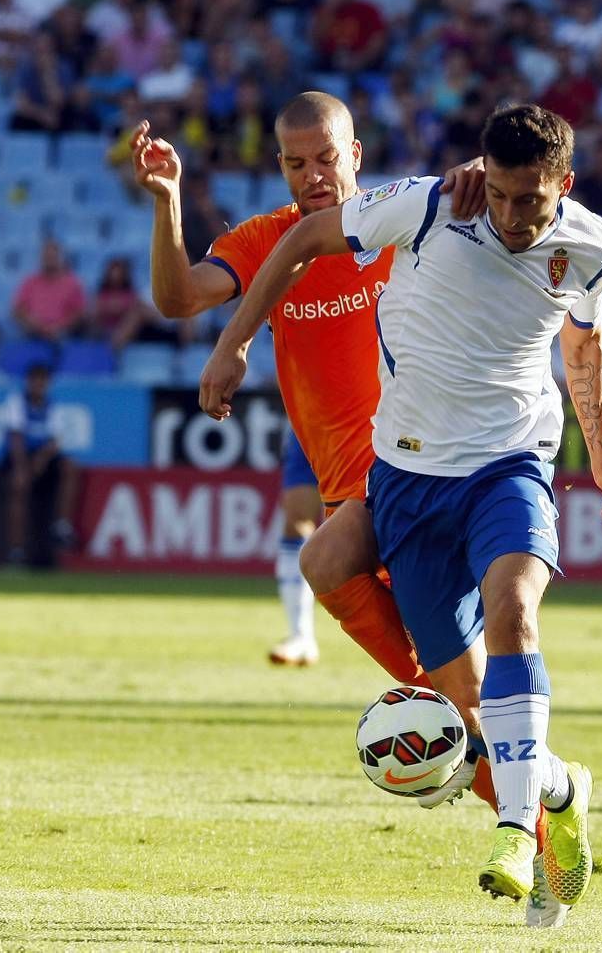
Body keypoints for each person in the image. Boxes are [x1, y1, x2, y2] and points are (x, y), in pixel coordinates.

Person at [198, 103, 602, 912]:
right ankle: (553, 788)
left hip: (510, 466)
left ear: (564, 188)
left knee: (514, 611)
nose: (511, 216)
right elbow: (302, 239)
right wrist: (233, 342)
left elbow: (584, 343)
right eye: (502, 195)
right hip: (409, 479)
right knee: (472, 703)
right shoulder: (434, 203)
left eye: (531, 202)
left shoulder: (591, 244)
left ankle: (514, 828)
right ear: (485, 176)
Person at [133, 92, 562, 926]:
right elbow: (181, 298)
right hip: (354, 492)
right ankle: (543, 793)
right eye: (295, 164)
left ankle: (531, 828)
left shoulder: (402, 219)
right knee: (458, 707)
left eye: (325, 158)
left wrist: (477, 172)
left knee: (330, 568)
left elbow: (484, 198)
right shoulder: (267, 241)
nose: (312, 176)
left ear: (356, 154)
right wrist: (169, 202)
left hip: (421, 475)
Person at [2, 362, 78, 566]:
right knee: (18, 487)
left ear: (47, 383)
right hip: (19, 457)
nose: (38, 384)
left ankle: (62, 524)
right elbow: (16, 438)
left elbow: (55, 441)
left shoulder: (53, 406)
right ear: (28, 382)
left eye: (42, 379)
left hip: (42, 456)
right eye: (34, 379)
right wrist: (21, 468)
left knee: (70, 467)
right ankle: (16, 551)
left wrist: (41, 460)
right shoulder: (16, 403)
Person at [269, 428, 322, 666]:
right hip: (309, 420)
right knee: (296, 521)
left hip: (363, 416)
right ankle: (300, 636)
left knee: (367, 520)